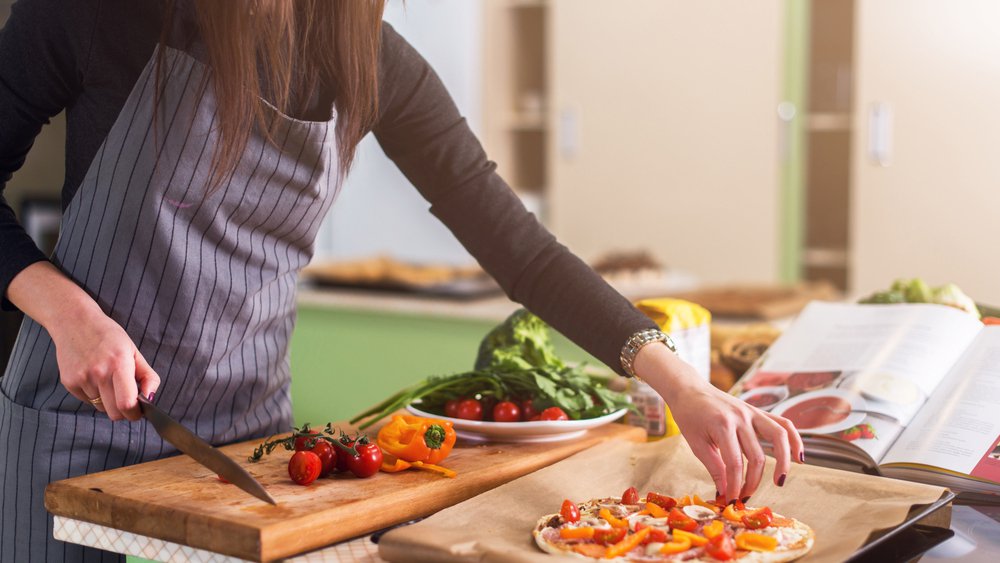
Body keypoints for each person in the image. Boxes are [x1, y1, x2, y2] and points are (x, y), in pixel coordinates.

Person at [0, 1, 803, 560]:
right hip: (73, 428)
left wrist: (681, 383)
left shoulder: (365, 56)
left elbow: (516, 245)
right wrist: (64, 308)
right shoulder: (100, 10)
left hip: (249, 442)